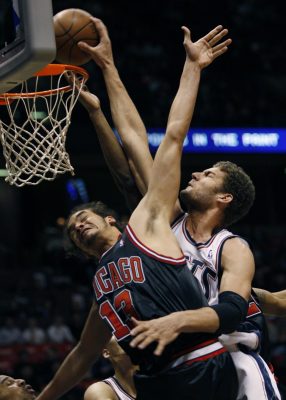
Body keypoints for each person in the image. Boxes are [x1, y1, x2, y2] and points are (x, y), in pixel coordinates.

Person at [76, 18, 281, 400]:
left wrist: (260, 299)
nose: (197, 172)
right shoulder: (165, 223)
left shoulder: (231, 248)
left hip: (235, 358)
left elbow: (252, 307)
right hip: (184, 369)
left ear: (225, 198)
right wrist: (107, 69)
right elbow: (137, 141)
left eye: (209, 174)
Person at [37, 21, 238, 400]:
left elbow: (153, 138)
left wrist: (114, 67)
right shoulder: (101, 285)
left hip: (200, 362)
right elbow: (82, 354)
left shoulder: (146, 222)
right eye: (73, 231)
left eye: (85, 217)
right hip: (153, 381)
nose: (78, 224)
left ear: (112, 218)